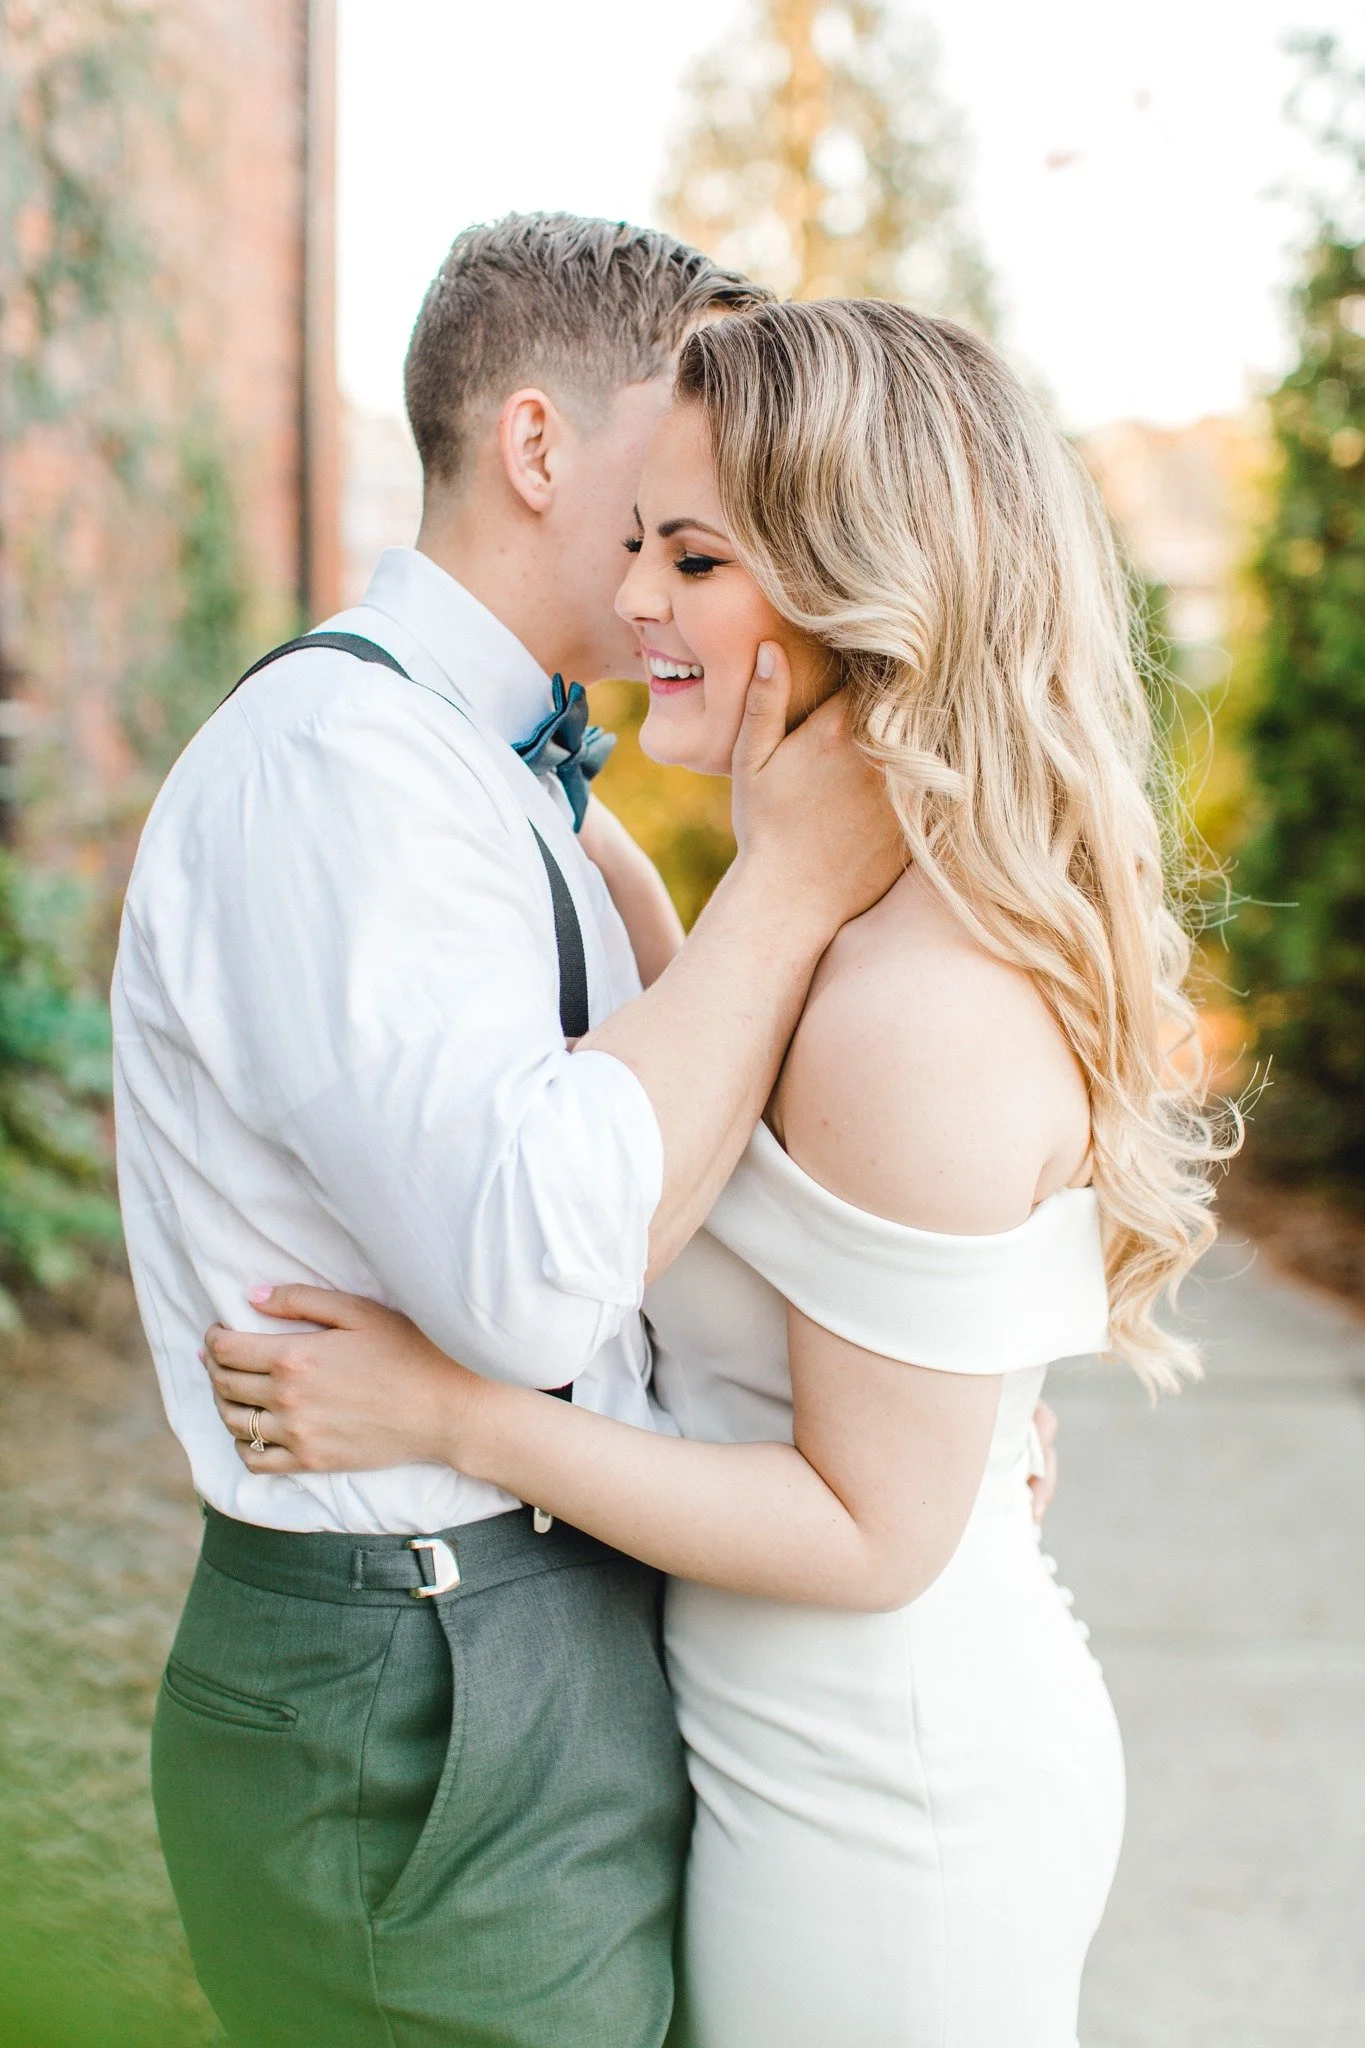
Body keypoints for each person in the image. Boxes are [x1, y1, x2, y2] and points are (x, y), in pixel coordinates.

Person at [204, 300, 1229, 2048]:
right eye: (639, 545)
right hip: (782, 1747)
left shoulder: (917, 1003)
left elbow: (870, 1531)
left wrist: (458, 1415)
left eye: (694, 557)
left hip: (885, 1804)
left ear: (858, 592)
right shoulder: (833, 931)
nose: (643, 605)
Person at [112, 218, 907, 2048]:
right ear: (543, 447)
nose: (728, 494)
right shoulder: (345, 770)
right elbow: (537, 1275)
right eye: (688, 434)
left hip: (523, 1625)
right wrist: (781, 899)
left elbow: (676, 1183)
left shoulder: (500, 774)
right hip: (429, 1684)